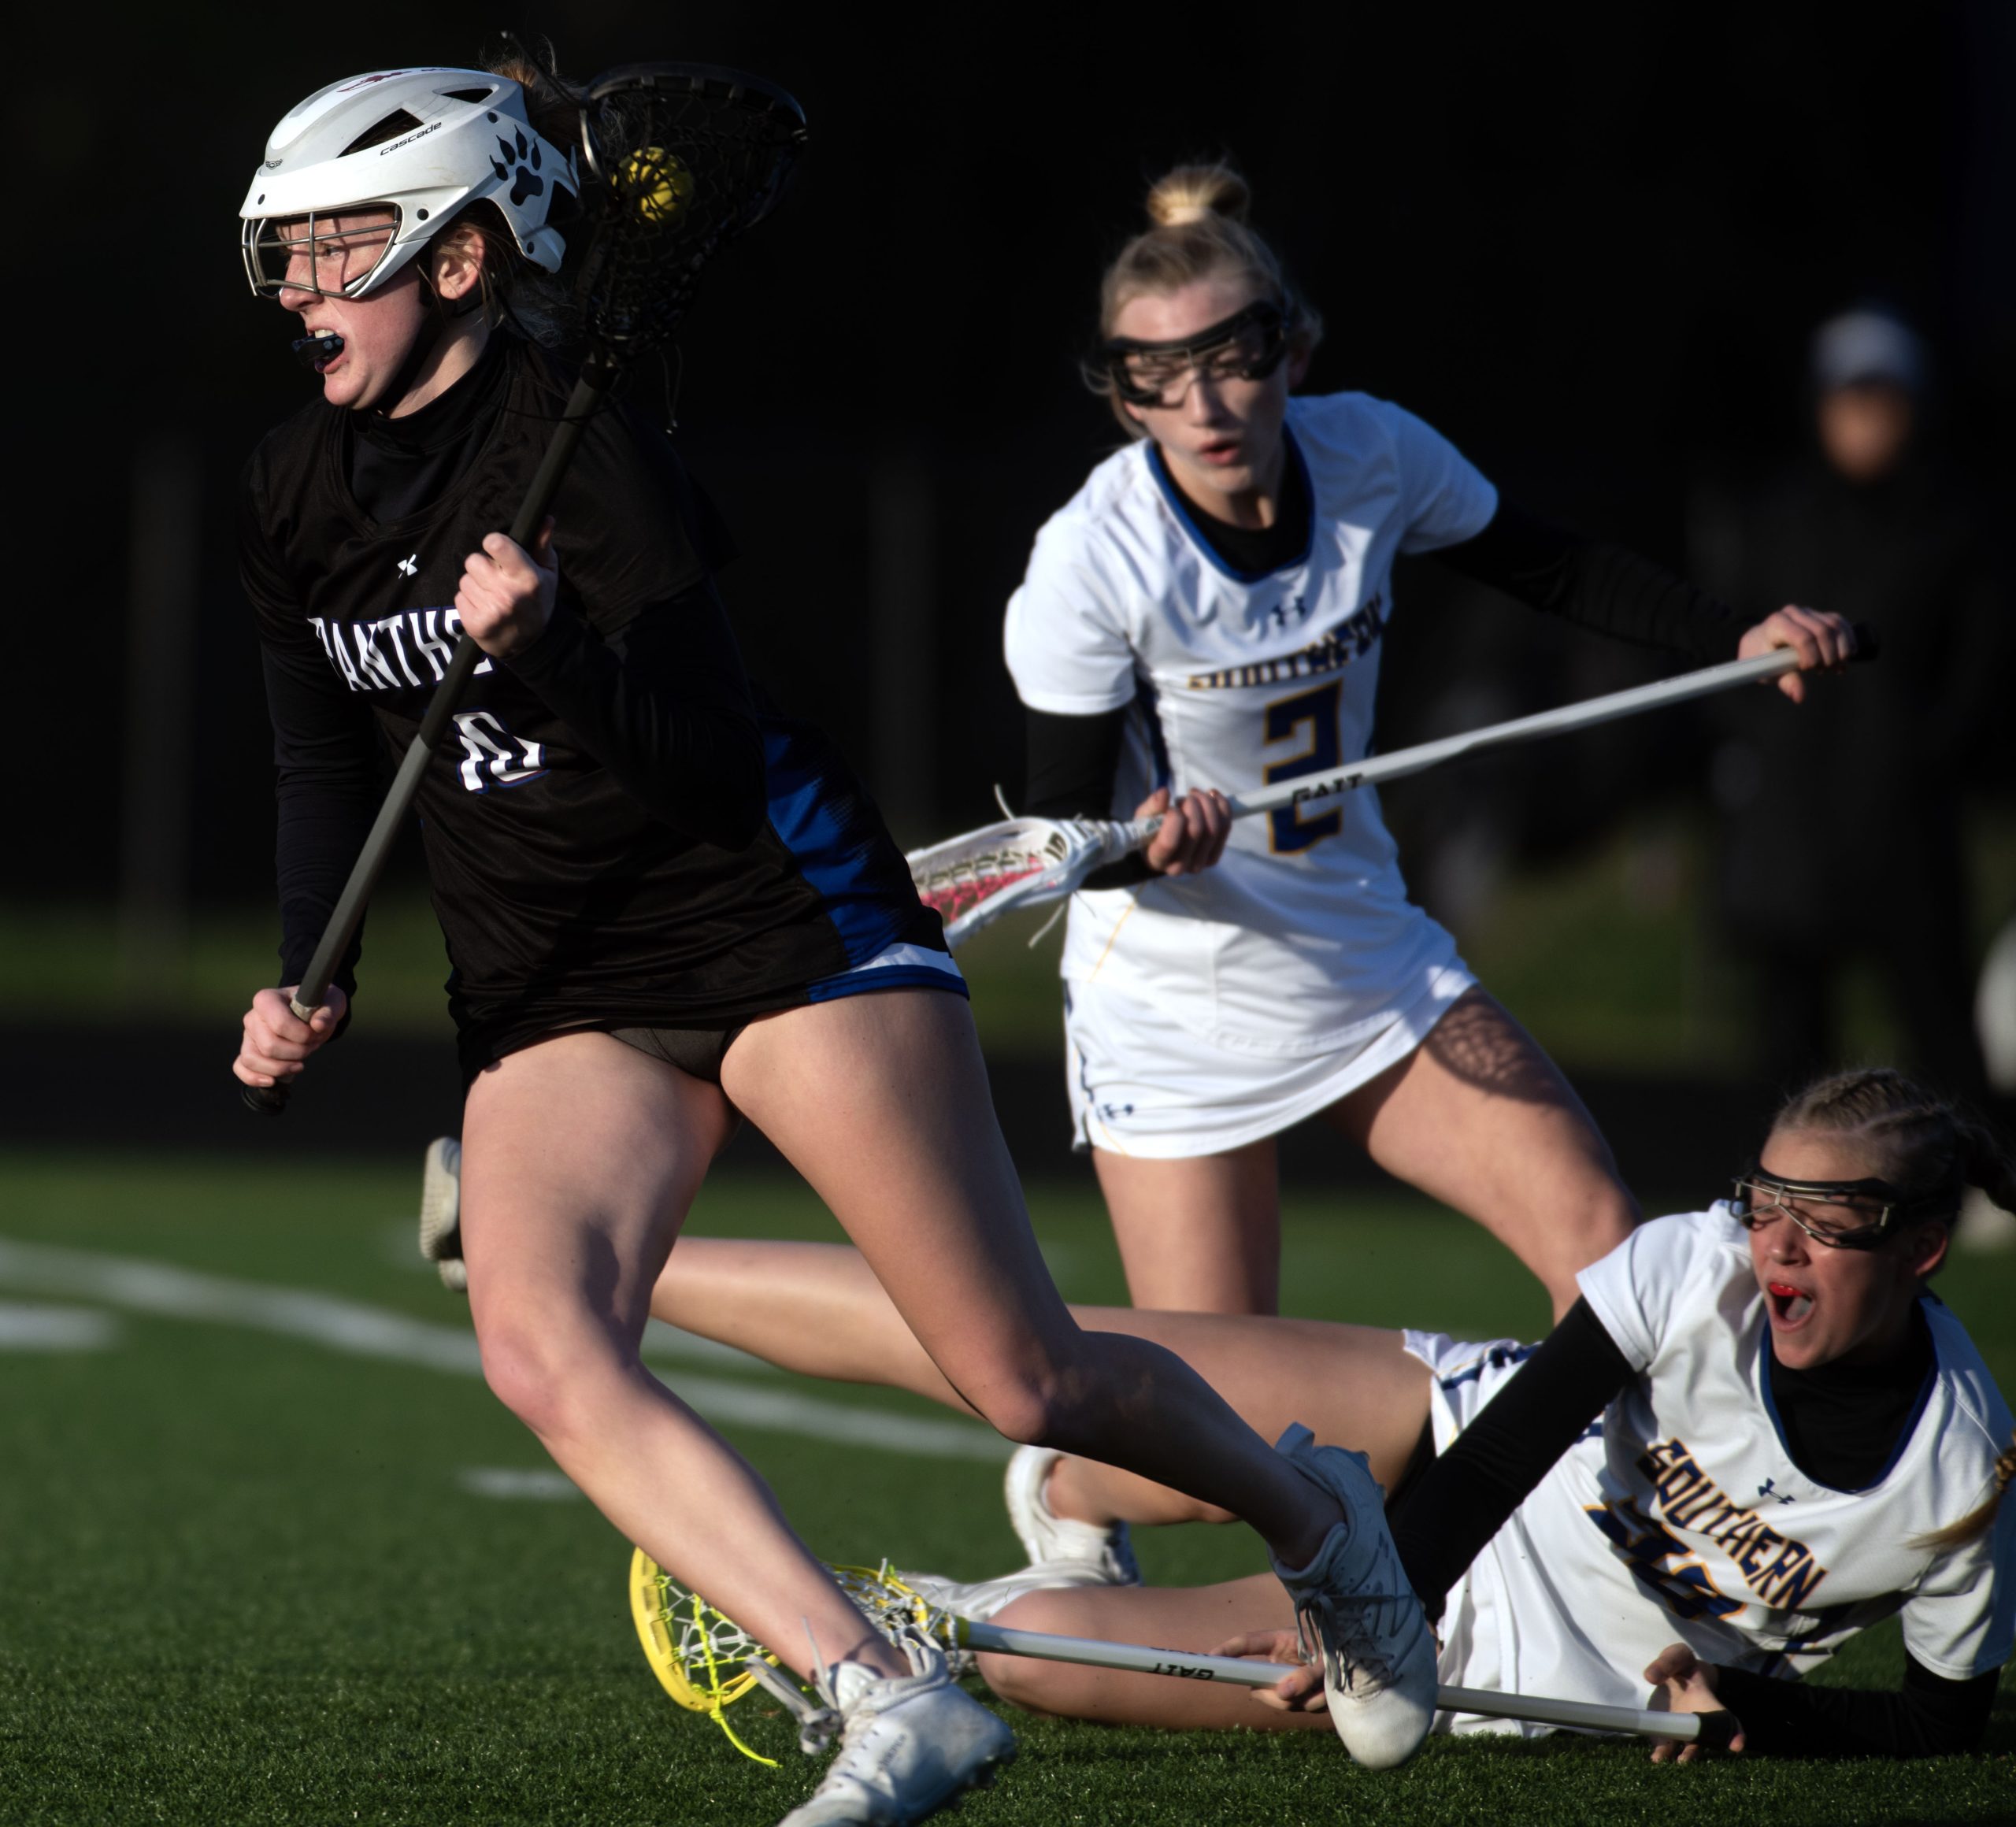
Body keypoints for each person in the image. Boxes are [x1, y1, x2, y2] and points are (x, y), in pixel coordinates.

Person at [226, 62, 1447, 1825]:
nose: (298, 289)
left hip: (774, 922)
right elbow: (319, 757)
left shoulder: (587, 454)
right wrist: (311, 966)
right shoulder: (290, 487)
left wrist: (554, 646)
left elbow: (711, 769)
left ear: (462, 257)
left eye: (339, 248)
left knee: (1020, 1372)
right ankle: (883, 1689)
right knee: (540, 1344)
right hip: (553, 982)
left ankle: (1313, 1515)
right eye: (286, 253)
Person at [1006, 164, 1859, 1319]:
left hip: (1362, 947)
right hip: (1174, 995)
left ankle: (1565, 1454)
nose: (1201, 406)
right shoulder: (1093, 555)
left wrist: (1734, 638)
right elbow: (1063, 826)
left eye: (1229, 358)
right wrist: (1143, 842)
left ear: (1293, 351)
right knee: (1223, 1398)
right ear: (1124, 400)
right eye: (1155, 375)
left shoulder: (1371, 454)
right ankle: (1093, 1446)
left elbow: (1552, 567)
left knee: (1604, 1250)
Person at [647, 1069, 2014, 1760]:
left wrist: (1764, 1715)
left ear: (1921, 1248)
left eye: (1829, 1222)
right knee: (1037, 1356)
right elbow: (1505, 1449)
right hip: (1441, 1438)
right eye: (1766, 1204)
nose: (1776, 1248)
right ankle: (610, 1267)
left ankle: (1000, 1566)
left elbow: (1950, 1723)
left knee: (1037, 1658)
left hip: (1522, 1653)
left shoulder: (1962, 1477)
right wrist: (1367, 1619)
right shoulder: (1696, 1264)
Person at [1699, 306, 2010, 1112]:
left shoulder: (1952, 526)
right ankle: (1786, 1179)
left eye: (1884, 401)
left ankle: (1971, 1170)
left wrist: (1926, 758)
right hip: (1790, 833)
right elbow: (1727, 648)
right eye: (1849, 400)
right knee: (1791, 1054)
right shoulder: (1774, 518)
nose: (1866, 421)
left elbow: (1977, 671)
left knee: (1939, 1031)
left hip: (1905, 827)